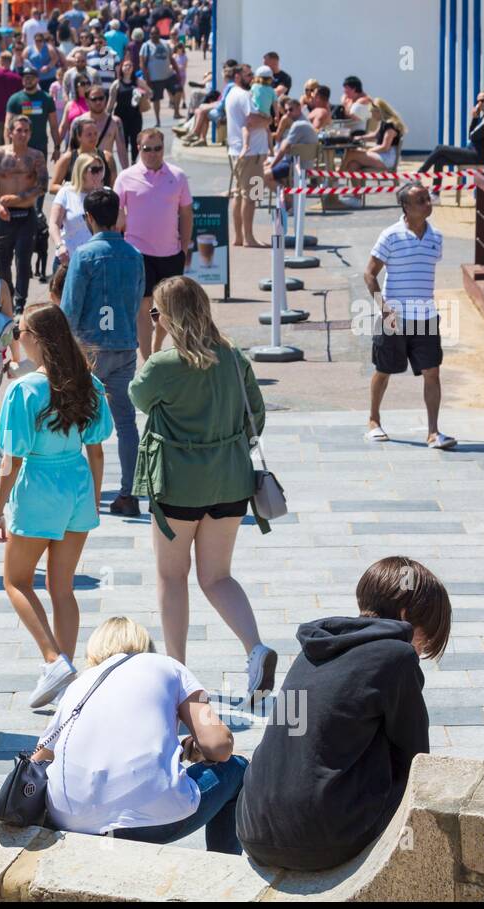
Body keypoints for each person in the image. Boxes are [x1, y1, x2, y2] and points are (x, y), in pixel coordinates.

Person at [237, 558, 451, 871]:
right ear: (405, 615)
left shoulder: (312, 649)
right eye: (426, 637)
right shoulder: (397, 655)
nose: (423, 648)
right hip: (323, 839)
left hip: (253, 828)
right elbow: (416, 759)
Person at [131, 276, 277, 697]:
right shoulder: (234, 357)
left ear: (168, 316)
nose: (154, 319)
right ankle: (255, 648)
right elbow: (257, 417)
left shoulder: (163, 364)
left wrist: (158, 340)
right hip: (231, 482)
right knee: (217, 577)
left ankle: (177, 674)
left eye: (157, 313)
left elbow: (139, 398)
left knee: (171, 576)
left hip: (177, 485)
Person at [29, 617, 248, 851]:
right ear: (146, 645)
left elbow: (39, 760)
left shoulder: (78, 685)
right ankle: (223, 870)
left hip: (70, 821)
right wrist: (199, 748)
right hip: (155, 822)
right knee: (236, 767)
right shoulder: (169, 666)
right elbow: (219, 745)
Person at [0, 304, 114, 708]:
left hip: (39, 487)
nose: (17, 337)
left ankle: (53, 660)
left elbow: (12, 460)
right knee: (62, 588)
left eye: (20, 330)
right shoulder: (90, 384)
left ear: (37, 339)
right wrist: (93, 500)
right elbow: (96, 452)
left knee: (15, 581)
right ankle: (67, 676)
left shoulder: (24, 390)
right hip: (77, 484)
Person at [61, 188, 144, 517]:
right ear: (119, 215)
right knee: (126, 422)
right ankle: (130, 491)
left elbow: (70, 309)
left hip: (88, 348)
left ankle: (78, 492)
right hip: (123, 343)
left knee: (74, 421)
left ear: (89, 219)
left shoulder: (83, 256)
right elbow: (136, 301)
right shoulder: (135, 255)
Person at [364, 182, 455, 448]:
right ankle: (373, 420)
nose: (429, 203)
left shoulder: (436, 237)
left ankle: (433, 432)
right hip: (394, 315)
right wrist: (383, 306)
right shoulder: (390, 235)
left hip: (426, 317)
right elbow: (369, 272)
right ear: (406, 206)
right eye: (422, 200)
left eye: (428, 198)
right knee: (384, 369)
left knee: (432, 371)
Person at [116, 128, 193, 357]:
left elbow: (187, 213)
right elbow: (117, 214)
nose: (152, 153)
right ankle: (148, 358)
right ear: (138, 149)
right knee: (144, 305)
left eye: (157, 148)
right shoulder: (126, 177)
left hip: (170, 252)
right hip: (137, 253)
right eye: (146, 149)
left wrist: (184, 247)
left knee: (166, 308)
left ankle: (158, 348)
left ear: (163, 148)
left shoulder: (177, 176)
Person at [0, 115, 50, 313]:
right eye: (18, 130)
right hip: (3, 215)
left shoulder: (36, 156)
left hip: (26, 214)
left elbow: (42, 185)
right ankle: (8, 296)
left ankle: (20, 303)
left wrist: (18, 198)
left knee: (23, 260)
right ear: (10, 132)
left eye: (26, 131)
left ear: (30, 134)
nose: (22, 134)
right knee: (2, 261)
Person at [225, 63, 270, 249]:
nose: (251, 77)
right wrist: (268, 119)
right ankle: (249, 237)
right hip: (252, 153)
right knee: (251, 195)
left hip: (239, 151)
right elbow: (252, 119)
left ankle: (239, 237)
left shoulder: (232, 93)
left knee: (239, 194)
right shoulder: (243, 95)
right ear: (237, 76)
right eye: (247, 74)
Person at [50, 152, 105, 269]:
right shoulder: (66, 192)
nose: (99, 173)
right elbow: (54, 223)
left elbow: (119, 225)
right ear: (82, 172)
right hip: (69, 259)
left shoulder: (107, 194)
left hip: (98, 260)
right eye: (94, 170)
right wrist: (59, 246)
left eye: (101, 169)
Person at [421, 91, 484, 176]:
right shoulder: (483, 116)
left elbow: (473, 136)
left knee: (440, 148)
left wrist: (474, 119)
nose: (479, 104)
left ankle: (419, 174)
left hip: (478, 155)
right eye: (478, 101)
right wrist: (475, 118)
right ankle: (435, 189)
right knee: (439, 160)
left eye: (482, 100)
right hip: (473, 151)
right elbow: (471, 135)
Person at [5, 67, 60, 162]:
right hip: (19, 146)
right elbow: (7, 126)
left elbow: (54, 126)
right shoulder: (15, 99)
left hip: (40, 146)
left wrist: (57, 148)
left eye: (31, 78)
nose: (28, 80)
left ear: (37, 79)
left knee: (40, 176)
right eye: (25, 78)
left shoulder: (47, 98)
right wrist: (8, 148)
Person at [50, 115, 117, 193]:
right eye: (89, 134)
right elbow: (53, 187)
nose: (93, 137)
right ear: (79, 137)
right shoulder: (68, 158)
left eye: (95, 134)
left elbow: (115, 187)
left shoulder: (107, 157)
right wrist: (75, 189)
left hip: (101, 203)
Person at [341, 97, 406, 172]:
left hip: (387, 158)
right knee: (353, 165)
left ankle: (334, 178)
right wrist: (360, 137)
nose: (371, 116)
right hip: (382, 155)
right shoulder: (383, 122)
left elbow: (385, 147)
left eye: (372, 112)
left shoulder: (390, 125)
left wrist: (368, 151)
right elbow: (376, 134)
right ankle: (356, 184)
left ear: (379, 111)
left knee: (350, 154)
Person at [104, 66, 144, 166]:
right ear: (121, 68)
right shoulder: (116, 84)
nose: (128, 68)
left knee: (135, 140)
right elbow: (111, 102)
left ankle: (134, 161)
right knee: (122, 141)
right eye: (125, 65)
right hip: (121, 116)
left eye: (130, 65)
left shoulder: (138, 82)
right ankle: (125, 165)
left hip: (135, 116)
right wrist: (106, 116)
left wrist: (142, 94)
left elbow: (150, 93)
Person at [140, 30, 175, 125]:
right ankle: (158, 120)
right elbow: (142, 63)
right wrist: (147, 78)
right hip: (154, 78)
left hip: (168, 75)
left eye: (156, 33)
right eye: (152, 33)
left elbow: (171, 58)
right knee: (156, 100)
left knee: (177, 91)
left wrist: (178, 72)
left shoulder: (165, 44)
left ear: (159, 34)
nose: (154, 35)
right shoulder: (146, 46)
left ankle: (176, 112)